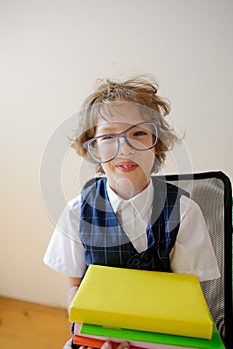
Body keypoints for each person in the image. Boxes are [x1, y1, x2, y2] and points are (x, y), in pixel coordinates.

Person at [43, 76, 220, 349]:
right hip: (97, 338)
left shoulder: (184, 212)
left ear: (156, 144)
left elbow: (187, 302)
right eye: (108, 136)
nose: (124, 148)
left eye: (138, 133)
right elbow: (74, 289)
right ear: (93, 146)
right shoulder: (77, 212)